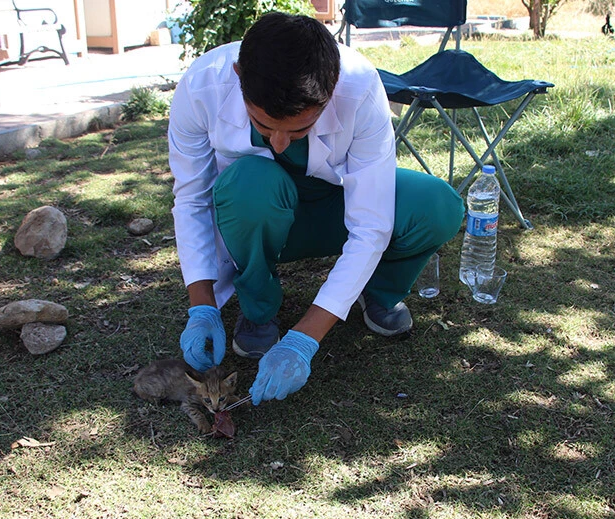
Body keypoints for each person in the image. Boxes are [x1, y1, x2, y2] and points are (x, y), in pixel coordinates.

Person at [168, 12, 463, 406]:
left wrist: (305, 338)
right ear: (239, 76)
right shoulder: (202, 85)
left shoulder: (359, 85)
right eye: (261, 124)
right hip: (255, 214)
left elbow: (371, 221)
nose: (278, 143)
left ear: (332, 89)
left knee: (436, 204)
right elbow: (192, 198)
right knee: (248, 185)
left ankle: (377, 291)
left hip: (332, 204)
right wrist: (202, 306)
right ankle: (259, 309)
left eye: (299, 130)